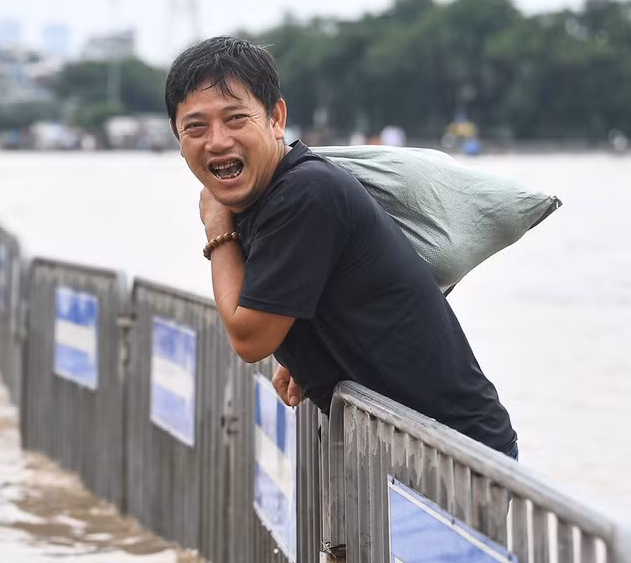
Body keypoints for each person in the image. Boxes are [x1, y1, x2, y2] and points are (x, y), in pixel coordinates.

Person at [166, 36, 518, 459]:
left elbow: (249, 339)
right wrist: (307, 356)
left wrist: (217, 230)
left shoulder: (303, 194)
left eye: (236, 118)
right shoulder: (274, 193)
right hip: (407, 453)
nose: (218, 140)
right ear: (177, 136)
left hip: (457, 459)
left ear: (276, 118)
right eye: (196, 127)